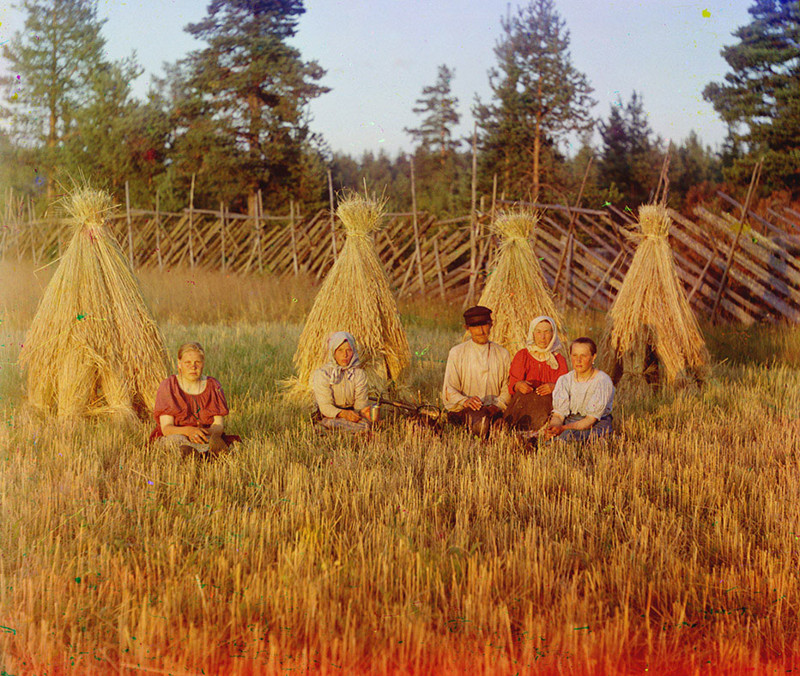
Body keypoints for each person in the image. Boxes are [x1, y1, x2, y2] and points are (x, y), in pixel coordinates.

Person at [151, 342, 239, 457]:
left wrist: (200, 433)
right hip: (177, 434)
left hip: (205, 435)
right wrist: (189, 431)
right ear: (179, 363)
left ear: (203, 364)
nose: (193, 367)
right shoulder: (169, 386)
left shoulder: (213, 386)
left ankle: (209, 452)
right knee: (177, 441)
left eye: (197, 362)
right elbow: (167, 428)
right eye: (187, 362)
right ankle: (195, 454)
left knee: (214, 440)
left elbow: (219, 426)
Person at [442, 305, 511, 438]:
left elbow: (507, 388)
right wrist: (465, 401)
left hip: (494, 410)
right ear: (467, 329)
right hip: (465, 411)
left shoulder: (502, 353)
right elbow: (449, 389)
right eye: (475, 327)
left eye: (484, 325)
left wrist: (497, 405)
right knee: (479, 425)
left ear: (491, 325)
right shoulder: (457, 352)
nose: (480, 331)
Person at [540, 337, 615, 442]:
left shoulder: (602, 381)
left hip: (596, 423)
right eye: (574, 355)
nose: (578, 360)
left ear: (593, 357)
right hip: (571, 421)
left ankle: (604, 439)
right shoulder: (564, 380)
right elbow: (559, 415)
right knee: (549, 439)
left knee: (567, 438)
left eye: (583, 356)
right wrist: (554, 428)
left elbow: (590, 420)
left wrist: (563, 429)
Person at [504, 316, 569, 434]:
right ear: (532, 333)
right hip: (524, 405)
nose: (542, 337)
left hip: (547, 406)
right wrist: (519, 385)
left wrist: (554, 387)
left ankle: (538, 433)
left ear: (553, 334)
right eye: (538, 332)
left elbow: (566, 388)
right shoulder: (522, 355)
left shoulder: (559, 360)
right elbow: (512, 384)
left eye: (546, 332)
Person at [311, 331, 371, 433]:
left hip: (352, 415)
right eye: (340, 350)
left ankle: (339, 432)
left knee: (365, 425)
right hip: (330, 415)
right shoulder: (323, 374)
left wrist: (359, 414)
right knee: (330, 423)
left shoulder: (359, 374)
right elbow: (325, 406)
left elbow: (360, 403)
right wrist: (343, 414)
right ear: (333, 352)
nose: (345, 355)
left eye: (349, 350)